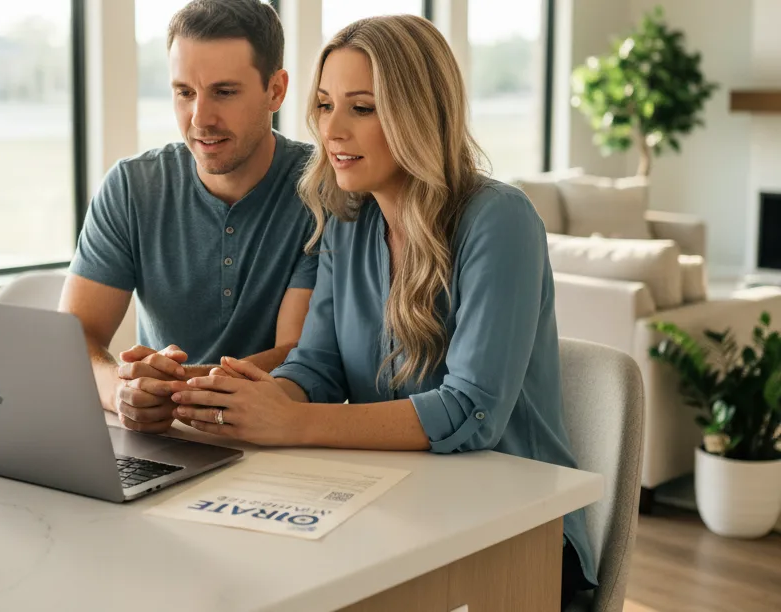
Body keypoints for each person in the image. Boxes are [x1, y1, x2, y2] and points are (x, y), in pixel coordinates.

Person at [166, 14, 597, 609]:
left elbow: (471, 411)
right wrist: (244, 398)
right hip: (401, 513)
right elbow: (317, 366)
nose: (332, 129)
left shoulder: (499, 220)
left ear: (417, 113)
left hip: (519, 538)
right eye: (324, 105)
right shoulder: (347, 216)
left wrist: (295, 424)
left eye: (362, 108)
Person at [59, 0, 318, 436]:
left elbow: (298, 351)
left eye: (224, 92)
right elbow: (74, 337)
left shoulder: (321, 190)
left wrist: (171, 387)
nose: (201, 118)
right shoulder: (132, 186)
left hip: (275, 437)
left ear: (275, 90)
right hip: (163, 438)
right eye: (184, 92)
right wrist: (121, 391)